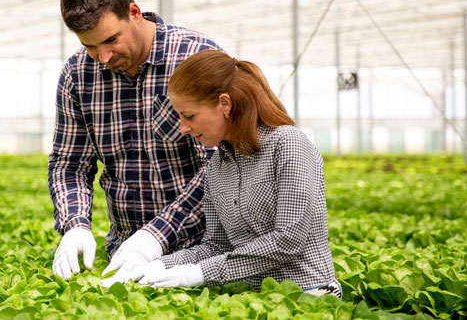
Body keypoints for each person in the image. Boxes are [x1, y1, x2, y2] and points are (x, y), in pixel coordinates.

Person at [48, 0, 222, 283]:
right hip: (123, 254)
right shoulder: (77, 75)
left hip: (203, 253)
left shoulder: (195, 57)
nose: (104, 57)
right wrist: (75, 224)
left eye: (111, 40)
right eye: (90, 47)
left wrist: (156, 236)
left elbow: (223, 165)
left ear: (135, 13)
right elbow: (70, 164)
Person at [134, 50, 341, 298]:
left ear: (224, 104)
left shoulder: (288, 144)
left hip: (309, 295)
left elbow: (288, 241)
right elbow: (216, 245)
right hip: (251, 297)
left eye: (189, 116)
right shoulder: (217, 166)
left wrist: (198, 273)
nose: (183, 128)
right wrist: (159, 265)